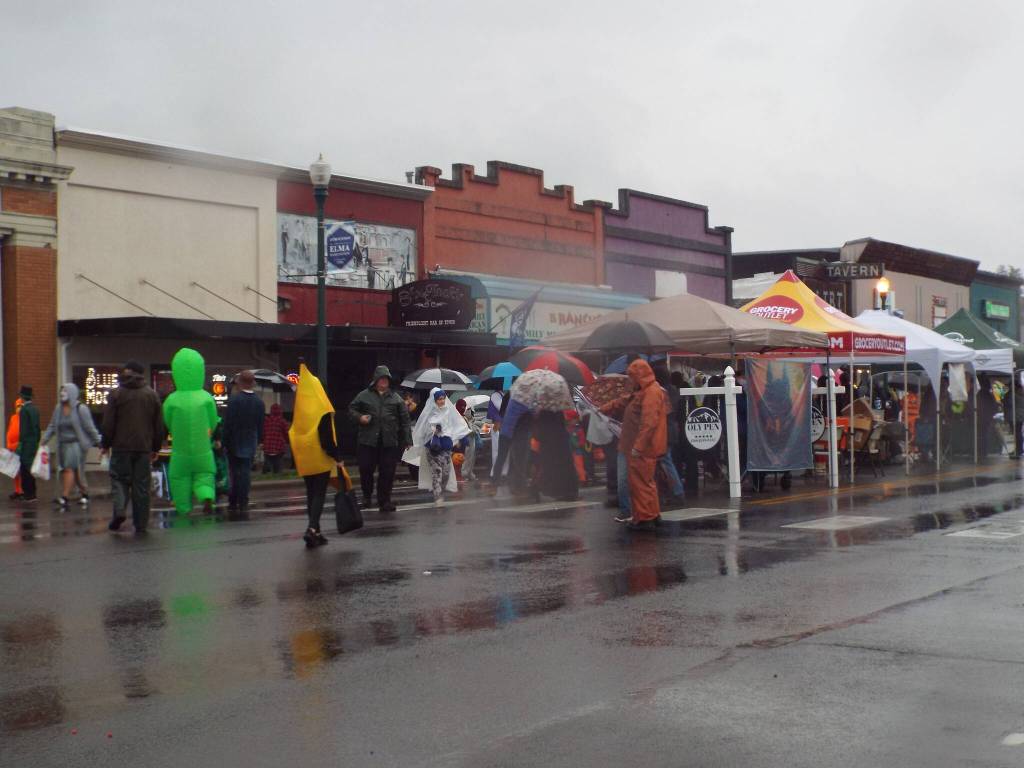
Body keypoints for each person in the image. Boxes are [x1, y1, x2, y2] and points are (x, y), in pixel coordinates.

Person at [603, 360, 667, 532]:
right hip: (638, 445)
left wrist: (638, 447)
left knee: (640, 483)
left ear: (639, 375)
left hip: (641, 447)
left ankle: (645, 518)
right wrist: (606, 407)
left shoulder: (650, 392)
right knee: (645, 482)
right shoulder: (644, 390)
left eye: (632, 376)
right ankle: (651, 514)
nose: (630, 380)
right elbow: (625, 401)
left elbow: (649, 422)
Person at [101, 361, 164, 533]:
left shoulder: (116, 394)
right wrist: (156, 447)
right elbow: (158, 425)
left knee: (119, 479)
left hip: (121, 447)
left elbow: (108, 423)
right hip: (143, 448)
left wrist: (105, 444)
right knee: (141, 486)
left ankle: (120, 510)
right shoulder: (151, 395)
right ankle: (140, 523)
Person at [288, 364, 343, 548]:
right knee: (319, 493)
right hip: (319, 456)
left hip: (304, 457)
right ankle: (312, 529)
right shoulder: (322, 409)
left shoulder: (301, 409)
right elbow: (327, 437)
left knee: (310, 494)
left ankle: (316, 531)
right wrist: (337, 456)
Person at [162, 348, 219, 518]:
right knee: (205, 475)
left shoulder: (171, 400)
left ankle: (183, 508)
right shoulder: (206, 398)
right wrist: (209, 433)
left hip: (180, 450)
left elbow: (167, 421)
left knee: (179, 478)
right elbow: (213, 421)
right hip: (203, 448)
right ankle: (206, 495)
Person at [349, 366, 412, 512]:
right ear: (376, 380)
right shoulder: (364, 395)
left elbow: (405, 421)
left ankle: (384, 501)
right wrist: (360, 417)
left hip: (389, 442)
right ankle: (366, 497)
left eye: (386, 379)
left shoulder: (396, 398)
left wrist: (407, 440)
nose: (384, 381)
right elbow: (351, 410)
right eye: (381, 378)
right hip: (367, 441)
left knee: (388, 472)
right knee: (365, 470)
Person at [40, 383, 101, 509]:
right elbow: (52, 425)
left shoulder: (81, 409)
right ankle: (85, 493)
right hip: (63, 444)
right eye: (61, 391)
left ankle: (65, 496)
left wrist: (99, 442)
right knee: (77, 472)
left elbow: (89, 427)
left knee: (69, 468)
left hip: (77, 444)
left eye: (65, 391)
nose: (62, 394)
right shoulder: (58, 408)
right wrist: (44, 439)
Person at [410, 388, 469, 506]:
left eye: (443, 399)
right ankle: (438, 496)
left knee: (446, 472)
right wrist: (434, 430)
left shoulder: (448, 411)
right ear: (435, 400)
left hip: (446, 447)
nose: (442, 401)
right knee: (437, 472)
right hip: (432, 447)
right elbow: (422, 430)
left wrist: (457, 439)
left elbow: (455, 426)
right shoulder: (428, 413)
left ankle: (440, 490)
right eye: (439, 399)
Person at [223, 370, 265, 515]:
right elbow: (260, 425)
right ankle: (243, 501)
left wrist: (224, 441)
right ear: (253, 383)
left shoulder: (234, 400)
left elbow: (228, 423)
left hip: (234, 440)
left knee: (235, 472)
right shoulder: (259, 402)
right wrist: (260, 441)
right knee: (246, 472)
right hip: (250, 440)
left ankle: (233, 501)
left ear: (240, 383)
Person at [531, 410, 580, 501]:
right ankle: (567, 491)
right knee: (560, 465)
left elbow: (539, 432)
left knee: (550, 466)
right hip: (556, 439)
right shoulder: (555, 410)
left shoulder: (543, 412)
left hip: (550, 440)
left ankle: (560, 491)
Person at [15, 385, 40, 503]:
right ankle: (33, 493)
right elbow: (37, 428)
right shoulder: (35, 409)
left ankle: (28, 494)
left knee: (24, 469)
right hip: (34, 443)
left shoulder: (24, 410)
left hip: (26, 444)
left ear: (22, 397)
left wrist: (20, 445)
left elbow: (23, 430)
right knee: (31, 468)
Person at [262, 403, 290, 474]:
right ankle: (277, 473)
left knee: (267, 460)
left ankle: (266, 472)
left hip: (267, 446)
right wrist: (287, 441)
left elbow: (263, 432)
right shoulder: (282, 421)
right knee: (278, 462)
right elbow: (287, 433)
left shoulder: (266, 421)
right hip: (279, 446)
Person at [455, 400, 478, 481]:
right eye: (462, 406)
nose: (463, 408)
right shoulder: (457, 417)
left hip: (470, 440)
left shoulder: (464, 417)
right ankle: (463, 474)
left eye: (464, 406)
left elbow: (469, 426)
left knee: (471, 457)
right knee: (464, 458)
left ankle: (469, 473)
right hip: (463, 440)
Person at [6, 396, 24, 499]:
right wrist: (9, 444)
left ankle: (22, 491)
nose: (19, 408)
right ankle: (17, 490)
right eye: (18, 406)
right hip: (12, 448)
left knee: (22, 470)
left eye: (21, 406)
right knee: (15, 470)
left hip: (21, 448)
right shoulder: (13, 418)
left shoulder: (25, 419)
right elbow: (9, 431)